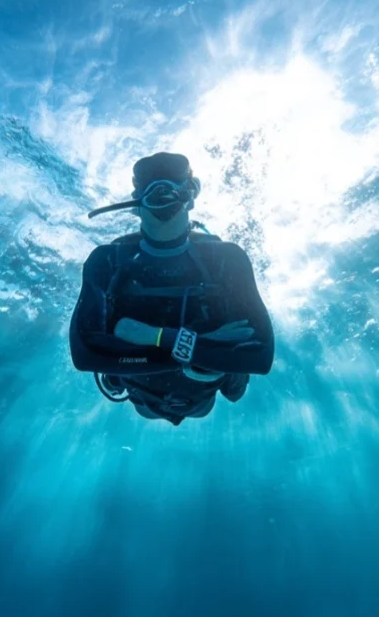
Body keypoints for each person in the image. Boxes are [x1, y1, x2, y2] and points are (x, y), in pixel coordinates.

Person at [69, 152, 275, 425]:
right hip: (152, 395)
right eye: (155, 192)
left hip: (184, 392)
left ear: (191, 194)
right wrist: (198, 346)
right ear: (136, 201)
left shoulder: (227, 259)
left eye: (171, 190)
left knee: (215, 396)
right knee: (161, 404)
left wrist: (156, 337)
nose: (164, 200)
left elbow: (262, 357)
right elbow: (83, 355)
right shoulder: (106, 261)